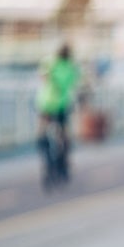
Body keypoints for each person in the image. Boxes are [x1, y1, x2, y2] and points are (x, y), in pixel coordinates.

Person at [35, 43, 80, 189]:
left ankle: (48, 160)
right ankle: (62, 163)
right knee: (65, 137)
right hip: (61, 105)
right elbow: (77, 83)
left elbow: (43, 76)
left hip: (46, 104)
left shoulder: (50, 61)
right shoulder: (71, 67)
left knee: (41, 135)